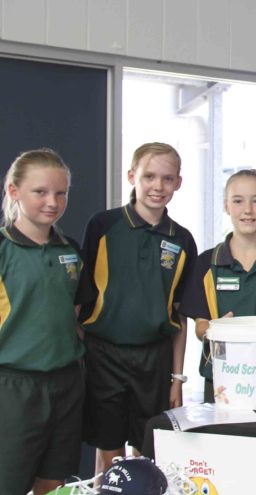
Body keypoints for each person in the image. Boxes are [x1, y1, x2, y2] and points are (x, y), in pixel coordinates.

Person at [79, 142, 197, 473]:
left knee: (149, 451)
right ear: (132, 176)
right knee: (109, 449)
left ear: (178, 183)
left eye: (167, 178)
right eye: (149, 176)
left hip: (155, 359)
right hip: (103, 354)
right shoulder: (103, 226)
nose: (158, 186)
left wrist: (177, 378)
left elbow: (180, 315)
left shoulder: (183, 240)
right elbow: (80, 298)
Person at [0, 149, 88, 495]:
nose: (51, 201)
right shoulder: (3, 250)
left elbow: (74, 316)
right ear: (15, 192)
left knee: (54, 490)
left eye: (61, 192)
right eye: (40, 192)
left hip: (67, 383)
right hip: (14, 386)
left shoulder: (71, 250)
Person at [180, 169, 256, 402]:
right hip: (222, 378)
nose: (247, 210)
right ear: (227, 206)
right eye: (238, 201)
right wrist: (217, 330)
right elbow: (199, 325)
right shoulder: (207, 263)